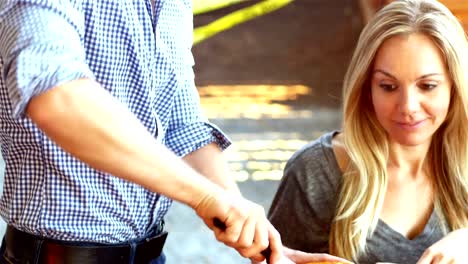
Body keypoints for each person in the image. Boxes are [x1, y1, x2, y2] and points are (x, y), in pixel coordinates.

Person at [0, 1, 288, 263]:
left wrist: (243, 219)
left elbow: (180, 121)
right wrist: (205, 197)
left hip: (150, 254)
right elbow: (55, 95)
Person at [267, 0, 468, 263]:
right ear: (366, 87)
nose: (407, 106)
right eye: (388, 86)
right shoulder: (316, 172)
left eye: (428, 85)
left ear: (455, 85)